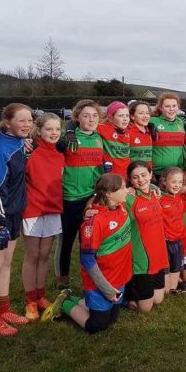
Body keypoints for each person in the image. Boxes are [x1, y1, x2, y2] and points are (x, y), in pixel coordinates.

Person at [43, 174, 131, 333]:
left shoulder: (121, 207)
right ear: (110, 193)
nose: (128, 190)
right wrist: (107, 289)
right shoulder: (95, 221)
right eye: (124, 187)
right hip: (101, 284)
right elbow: (87, 260)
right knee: (97, 326)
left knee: (112, 319)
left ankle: (74, 298)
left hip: (119, 277)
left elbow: (145, 190)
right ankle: (64, 303)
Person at [0, 103, 34, 336]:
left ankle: (4, 310)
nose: (27, 125)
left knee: (6, 263)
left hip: (14, 211)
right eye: (21, 120)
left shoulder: (18, 144)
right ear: (8, 122)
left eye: (30, 120)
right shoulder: (1, 148)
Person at [55, 99, 104, 290]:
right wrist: (68, 130)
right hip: (70, 199)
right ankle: (63, 282)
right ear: (77, 118)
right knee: (66, 242)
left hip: (91, 199)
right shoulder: (68, 137)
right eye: (86, 116)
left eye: (94, 116)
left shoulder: (100, 138)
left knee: (89, 243)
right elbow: (50, 143)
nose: (91, 120)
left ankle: (89, 281)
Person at [22, 112, 64, 321]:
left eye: (57, 129)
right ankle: (30, 300)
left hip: (53, 209)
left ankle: (40, 296)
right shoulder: (29, 151)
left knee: (45, 255)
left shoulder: (61, 153)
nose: (54, 133)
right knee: (33, 256)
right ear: (39, 130)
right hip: (32, 210)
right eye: (49, 129)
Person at [125, 161, 168, 313]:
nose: (141, 180)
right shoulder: (127, 199)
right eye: (135, 177)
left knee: (159, 299)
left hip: (159, 253)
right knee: (145, 308)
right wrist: (88, 210)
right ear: (130, 180)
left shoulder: (156, 193)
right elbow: (104, 200)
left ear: (151, 174)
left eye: (144, 175)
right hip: (141, 258)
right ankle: (127, 295)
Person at [159, 167, 186, 293]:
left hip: (178, 241)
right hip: (165, 243)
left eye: (180, 182)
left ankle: (176, 284)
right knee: (166, 289)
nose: (177, 185)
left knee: (175, 272)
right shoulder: (159, 198)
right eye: (173, 182)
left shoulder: (180, 196)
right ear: (164, 181)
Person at [150, 93, 186, 176]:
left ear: (178, 107)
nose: (171, 109)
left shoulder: (180, 123)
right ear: (160, 108)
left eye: (174, 106)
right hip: (158, 173)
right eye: (167, 106)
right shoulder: (152, 121)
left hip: (177, 172)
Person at [97, 101, 131, 179]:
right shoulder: (104, 128)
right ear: (110, 118)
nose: (125, 119)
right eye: (121, 116)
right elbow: (77, 121)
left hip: (125, 177)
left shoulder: (128, 130)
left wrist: (150, 125)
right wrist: (70, 131)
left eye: (127, 116)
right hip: (111, 177)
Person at [127, 101, 153, 169]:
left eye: (147, 113)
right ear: (132, 116)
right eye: (141, 113)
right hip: (133, 174)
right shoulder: (127, 132)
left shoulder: (150, 132)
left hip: (147, 174)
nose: (145, 116)